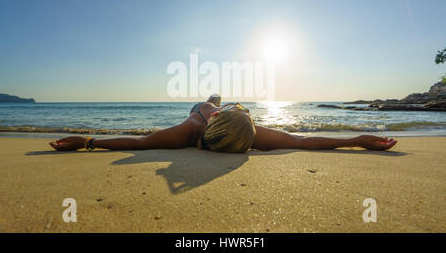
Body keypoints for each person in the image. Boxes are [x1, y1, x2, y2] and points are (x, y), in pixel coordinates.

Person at [49, 94, 397, 152]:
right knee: (225, 104)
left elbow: (141, 144)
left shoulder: (191, 128)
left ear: (210, 123)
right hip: (231, 124)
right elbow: (302, 141)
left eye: (218, 115)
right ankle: (221, 99)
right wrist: (355, 139)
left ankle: (212, 98)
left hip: (196, 109)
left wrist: (89, 142)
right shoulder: (255, 135)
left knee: (209, 100)